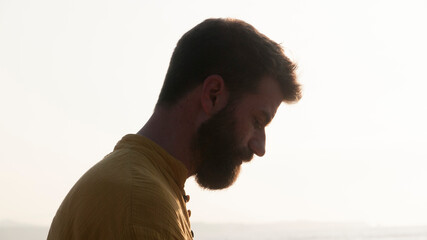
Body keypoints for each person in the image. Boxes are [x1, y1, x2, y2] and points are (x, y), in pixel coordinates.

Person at [47, 18, 301, 240]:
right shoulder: (142, 207)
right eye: (257, 121)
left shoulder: (138, 184)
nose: (259, 147)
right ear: (213, 95)